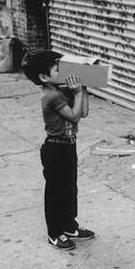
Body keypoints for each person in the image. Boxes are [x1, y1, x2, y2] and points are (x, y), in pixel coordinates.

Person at [21, 50, 95, 251]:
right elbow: (74, 116)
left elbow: (84, 112)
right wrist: (78, 93)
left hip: (69, 146)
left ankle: (70, 226)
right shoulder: (51, 96)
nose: (63, 71)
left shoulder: (63, 90)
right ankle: (54, 233)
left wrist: (83, 87)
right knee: (55, 193)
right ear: (44, 77)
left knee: (70, 189)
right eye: (57, 69)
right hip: (55, 148)